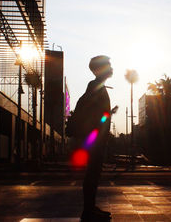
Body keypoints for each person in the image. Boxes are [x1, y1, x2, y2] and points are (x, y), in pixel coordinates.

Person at [77, 55, 115, 221]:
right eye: (108, 65)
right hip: (94, 138)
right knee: (92, 173)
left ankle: (90, 208)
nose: (111, 68)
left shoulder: (97, 86)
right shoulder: (95, 85)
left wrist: (108, 114)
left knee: (94, 173)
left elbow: (96, 112)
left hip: (94, 136)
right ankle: (88, 211)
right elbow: (94, 114)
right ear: (100, 69)